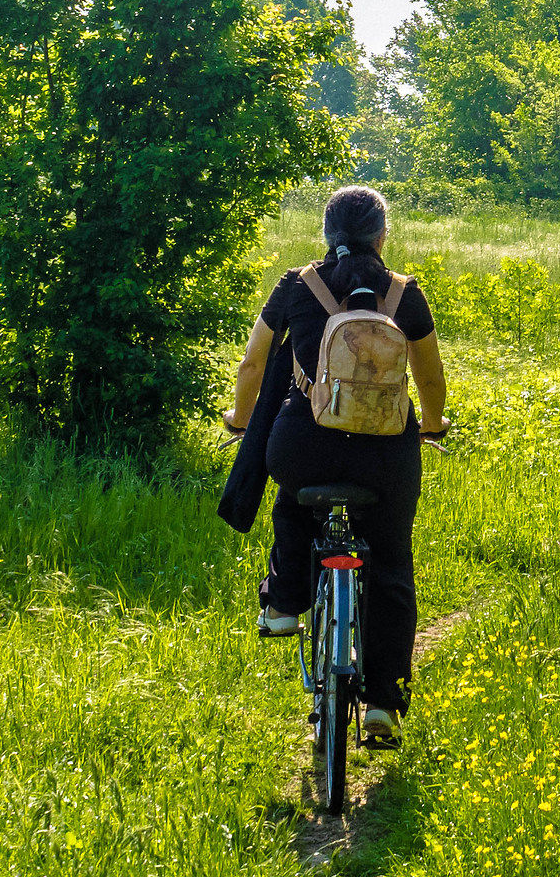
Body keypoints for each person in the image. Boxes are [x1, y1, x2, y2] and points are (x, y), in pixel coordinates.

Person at [221, 185, 448, 744]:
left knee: (293, 497)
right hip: (386, 454)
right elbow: (430, 375)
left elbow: (254, 365)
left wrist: (238, 420)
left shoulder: (297, 285)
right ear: (382, 235)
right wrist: (433, 425)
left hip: (306, 441)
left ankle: (283, 603)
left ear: (327, 234)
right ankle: (383, 706)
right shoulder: (403, 293)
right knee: (391, 559)